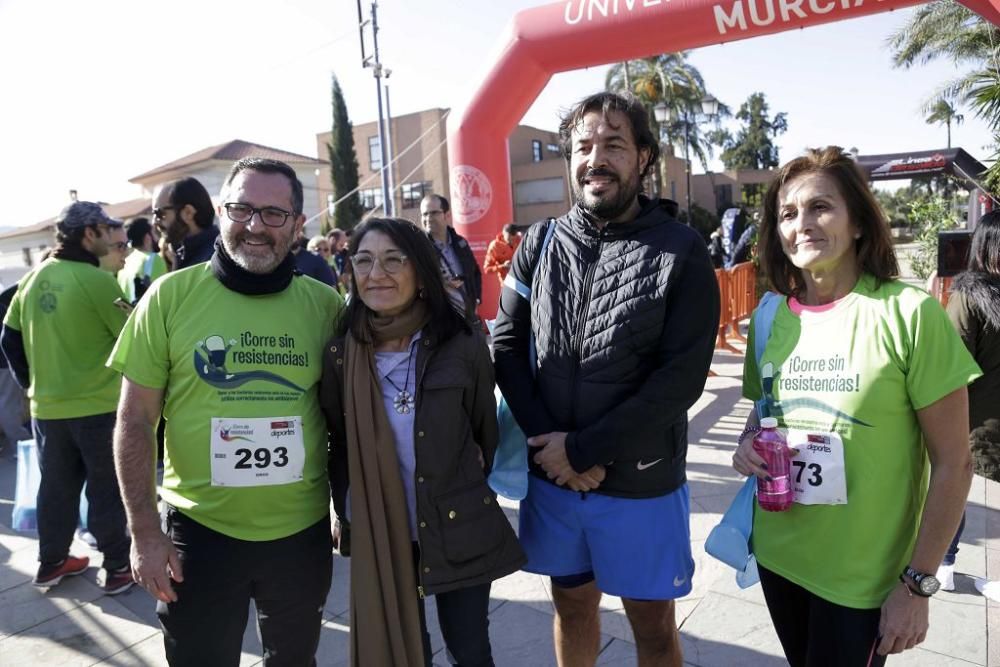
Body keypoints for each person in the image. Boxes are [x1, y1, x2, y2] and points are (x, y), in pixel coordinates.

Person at [492, 91, 720, 667]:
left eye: (614, 144)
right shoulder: (538, 244)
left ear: (643, 157)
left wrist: (585, 449)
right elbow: (507, 345)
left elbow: (681, 380)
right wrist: (552, 448)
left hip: (640, 482)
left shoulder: (682, 249)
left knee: (652, 623)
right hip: (555, 477)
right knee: (571, 604)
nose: (596, 158)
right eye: (583, 146)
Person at [731, 146, 980, 665]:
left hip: (864, 579)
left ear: (860, 223)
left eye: (821, 206)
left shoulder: (909, 315)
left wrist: (917, 586)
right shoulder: (769, 317)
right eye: (787, 213)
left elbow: (956, 463)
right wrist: (747, 443)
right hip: (780, 557)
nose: (803, 223)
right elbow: (764, 412)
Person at [109, 158, 345, 666]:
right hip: (199, 536)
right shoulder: (169, 298)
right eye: (241, 209)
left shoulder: (326, 307)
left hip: (299, 536)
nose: (255, 226)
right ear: (220, 212)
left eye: (273, 213)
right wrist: (145, 533)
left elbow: (349, 418)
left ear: (299, 225)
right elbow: (133, 421)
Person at [321, 217, 524, 667]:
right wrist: (344, 509)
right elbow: (338, 439)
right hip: (381, 526)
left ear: (420, 271)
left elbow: (482, 429)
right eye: (365, 261)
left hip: (457, 519)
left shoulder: (462, 339)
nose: (377, 274)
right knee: (405, 649)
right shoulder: (341, 352)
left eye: (394, 260)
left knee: (469, 649)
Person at [1, 201, 133, 594]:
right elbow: (134, 338)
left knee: (56, 488)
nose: (112, 238)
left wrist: (31, 384)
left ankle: (52, 561)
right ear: (88, 233)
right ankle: (118, 565)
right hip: (97, 408)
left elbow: (8, 339)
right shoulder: (96, 281)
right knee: (106, 486)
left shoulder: (33, 278)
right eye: (107, 230)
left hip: (48, 409)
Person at [936, 210, 1000, 594]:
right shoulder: (971, 296)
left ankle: (944, 563)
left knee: (956, 488)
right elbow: (953, 365)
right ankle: (943, 563)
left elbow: (953, 363)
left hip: (978, 417)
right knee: (956, 487)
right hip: (977, 420)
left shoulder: (967, 296)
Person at [420, 194, 482, 317]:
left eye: (433, 213)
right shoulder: (419, 248)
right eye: (425, 214)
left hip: (468, 316)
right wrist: (441, 284)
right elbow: (415, 284)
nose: (428, 218)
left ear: (447, 215)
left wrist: (477, 300)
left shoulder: (461, 243)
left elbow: (475, 272)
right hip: (439, 319)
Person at [152, 176, 219, 270]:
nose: (154, 221)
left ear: (188, 212)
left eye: (159, 213)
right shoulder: (181, 255)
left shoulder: (216, 260)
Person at [118, 217, 168, 303]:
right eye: (154, 232)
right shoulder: (153, 259)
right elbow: (165, 293)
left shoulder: (125, 262)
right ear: (147, 237)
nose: (157, 237)